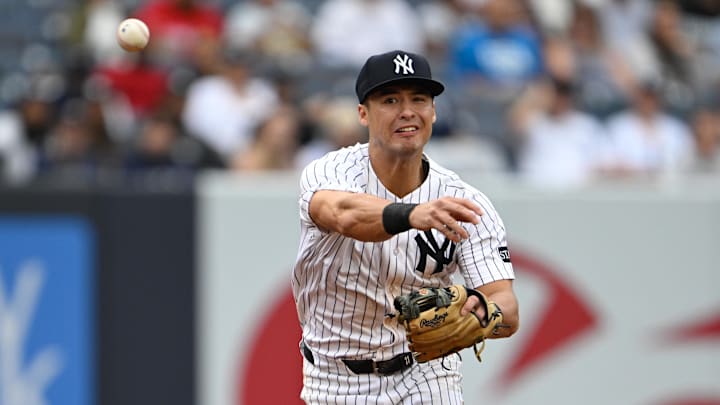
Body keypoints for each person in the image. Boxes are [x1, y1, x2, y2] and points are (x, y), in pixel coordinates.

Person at [291, 50, 520, 404]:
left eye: (419, 99)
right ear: (363, 114)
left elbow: (506, 305)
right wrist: (411, 214)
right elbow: (343, 214)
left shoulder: (463, 201)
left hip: (427, 374)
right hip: (334, 377)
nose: (407, 111)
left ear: (434, 111)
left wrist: (481, 312)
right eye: (391, 100)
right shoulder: (330, 171)